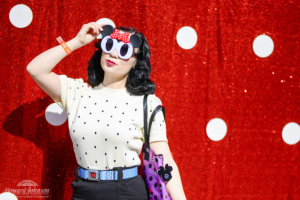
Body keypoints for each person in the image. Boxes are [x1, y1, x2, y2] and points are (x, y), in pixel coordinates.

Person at [26, 21, 187, 200]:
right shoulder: (77, 93)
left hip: (126, 192)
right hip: (83, 190)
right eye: (109, 45)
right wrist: (77, 41)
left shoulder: (147, 103)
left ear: (136, 62)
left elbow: (164, 160)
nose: (113, 53)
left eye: (124, 50)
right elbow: (35, 69)